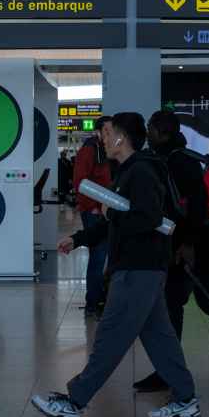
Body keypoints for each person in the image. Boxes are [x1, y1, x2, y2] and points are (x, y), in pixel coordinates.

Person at [34, 112, 200, 417]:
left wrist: (112, 214)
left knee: (110, 337)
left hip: (138, 269)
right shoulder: (128, 172)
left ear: (123, 138)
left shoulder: (140, 172)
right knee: (160, 339)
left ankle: (74, 403)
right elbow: (117, 220)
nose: (103, 139)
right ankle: (185, 400)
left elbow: (146, 218)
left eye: (108, 133)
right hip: (143, 268)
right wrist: (79, 238)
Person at [136, 110, 209, 394]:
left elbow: (198, 203)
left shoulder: (179, 160)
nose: (148, 136)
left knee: (198, 304)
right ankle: (168, 370)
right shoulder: (171, 157)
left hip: (194, 245)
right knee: (182, 304)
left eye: (151, 130)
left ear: (162, 131)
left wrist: (187, 244)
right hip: (188, 244)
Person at [72, 116, 114, 315]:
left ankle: (99, 300)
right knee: (98, 258)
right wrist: (93, 207)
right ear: (98, 131)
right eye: (106, 130)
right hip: (95, 212)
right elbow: (80, 182)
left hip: (107, 210)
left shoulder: (107, 151)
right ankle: (93, 304)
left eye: (112, 130)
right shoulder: (90, 150)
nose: (109, 134)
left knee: (103, 257)